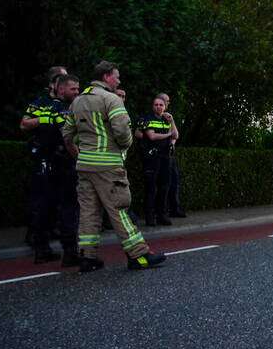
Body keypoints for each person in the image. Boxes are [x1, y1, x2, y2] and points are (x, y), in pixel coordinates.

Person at [61, 61, 165, 272]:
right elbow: (123, 133)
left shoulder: (77, 101)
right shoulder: (111, 99)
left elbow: (67, 135)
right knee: (119, 210)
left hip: (84, 166)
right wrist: (124, 147)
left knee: (88, 213)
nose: (119, 80)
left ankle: (87, 258)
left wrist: (81, 154)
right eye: (116, 76)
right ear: (106, 77)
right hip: (108, 166)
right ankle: (139, 255)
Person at [20, 72, 80, 264]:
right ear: (59, 87)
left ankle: (42, 249)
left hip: (47, 162)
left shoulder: (48, 105)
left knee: (46, 206)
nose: (76, 92)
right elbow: (67, 138)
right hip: (59, 163)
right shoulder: (59, 108)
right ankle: (69, 252)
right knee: (67, 207)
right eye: (73, 89)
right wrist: (80, 159)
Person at [136, 95, 179, 227]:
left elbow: (176, 135)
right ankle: (150, 217)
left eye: (161, 105)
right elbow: (152, 136)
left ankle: (162, 215)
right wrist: (168, 134)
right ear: (152, 106)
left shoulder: (167, 120)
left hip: (165, 157)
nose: (158, 107)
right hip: (152, 157)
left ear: (165, 107)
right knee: (150, 188)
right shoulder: (148, 118)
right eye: (156, 105)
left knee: (164, 187)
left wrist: (172, 121)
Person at [157, 93, 186, 218]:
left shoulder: (169, 117)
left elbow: (175, 135)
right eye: (166, 101)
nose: (167, 103)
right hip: (158, 153)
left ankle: (174, 208)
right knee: (162, 183)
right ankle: (161, 211)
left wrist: (172, 143)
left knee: (174, 181)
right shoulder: (153, 117)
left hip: (169, 153)